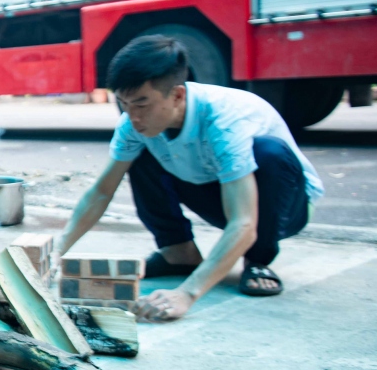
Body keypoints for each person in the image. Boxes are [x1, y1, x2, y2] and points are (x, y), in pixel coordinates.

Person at [53, 35, 323, 321]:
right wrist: (56, 251)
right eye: (124, 104)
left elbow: (243, 222)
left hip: (284, 209)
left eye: (142, 104)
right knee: (139, 151)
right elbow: (101, 192)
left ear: (178, 95)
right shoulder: (133, 124)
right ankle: (179, 252)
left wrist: (187, 294)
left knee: (269, 153)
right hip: (215, 192)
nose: (133, 116)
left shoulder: (225, 120)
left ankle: (257, 260)